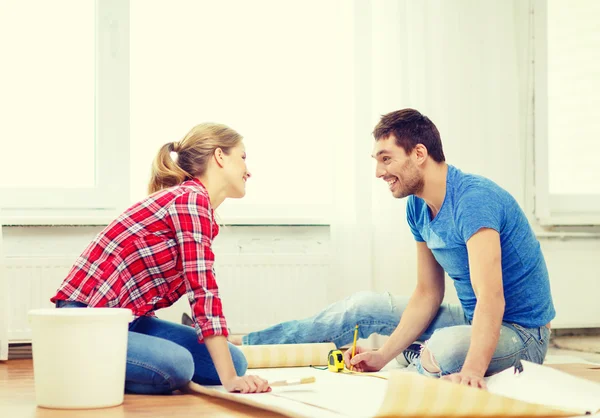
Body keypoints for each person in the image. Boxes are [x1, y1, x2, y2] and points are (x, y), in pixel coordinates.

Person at [230, 109, 555, 389]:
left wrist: (471, 371)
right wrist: (383, 355)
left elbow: (491, 297)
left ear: (418, 153)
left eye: (386, 159)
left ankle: (424, 353)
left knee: (445, 349)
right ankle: (244, 346)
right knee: (363, 306)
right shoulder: (417, 207)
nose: (379, 172)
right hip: (474, 320)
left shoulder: (473, 201)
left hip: (522, 334)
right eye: (377, 160)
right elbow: (428, 293)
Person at [51, 123, 271, 395]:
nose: (248, 170)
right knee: (177, 366)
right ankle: (76, 362)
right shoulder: (191, 199)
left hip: (129, 321)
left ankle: (94, 363)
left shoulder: (196, 205)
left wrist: (230, 375)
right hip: (87, 319)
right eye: (243, 157)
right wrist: (230, 383)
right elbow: (202, 290)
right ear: (220, 156)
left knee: (235, 361)